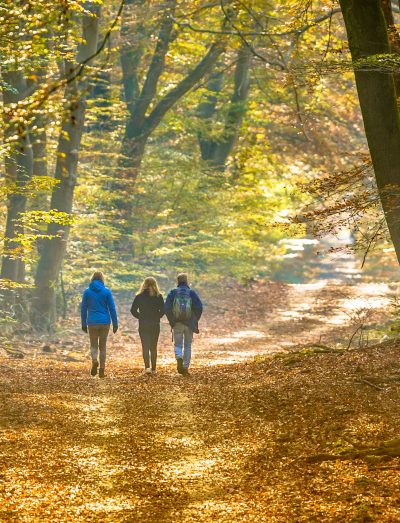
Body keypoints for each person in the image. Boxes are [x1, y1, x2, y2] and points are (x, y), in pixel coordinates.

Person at [81, 271, 118, 378]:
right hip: (105, 322)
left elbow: (83, 308)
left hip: (92, 322)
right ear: (102, 279)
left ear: (92, 279)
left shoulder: (87, 292)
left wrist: (83, 323)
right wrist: (115, 323)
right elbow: (112, 308)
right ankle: (102, 369)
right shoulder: (107, 291)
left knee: (93, 345)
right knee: (103, 346)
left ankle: (94, 361)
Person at [165, 273, 203, 376]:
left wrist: (172, 321)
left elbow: (167, 308)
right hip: (189, 324)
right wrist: (194, 320)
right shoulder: (191, 293)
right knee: (187, 345)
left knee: (178, 344)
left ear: (178, 281)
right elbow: (199, 307)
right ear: (186, 281)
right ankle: (185, 368)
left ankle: (179, 358)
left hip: (177, 323)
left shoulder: (172, 293)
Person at [130, 277, 165, 375]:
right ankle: (154, 369)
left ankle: (147, 368)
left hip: (143, 325)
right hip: (155, 325)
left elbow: (133, 310)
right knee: (153, 347)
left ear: (144, 284)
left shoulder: (139, 296)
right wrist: (157, 317)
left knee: (145, 346)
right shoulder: (159, 296)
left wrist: (140, 317)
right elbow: (163, 310)